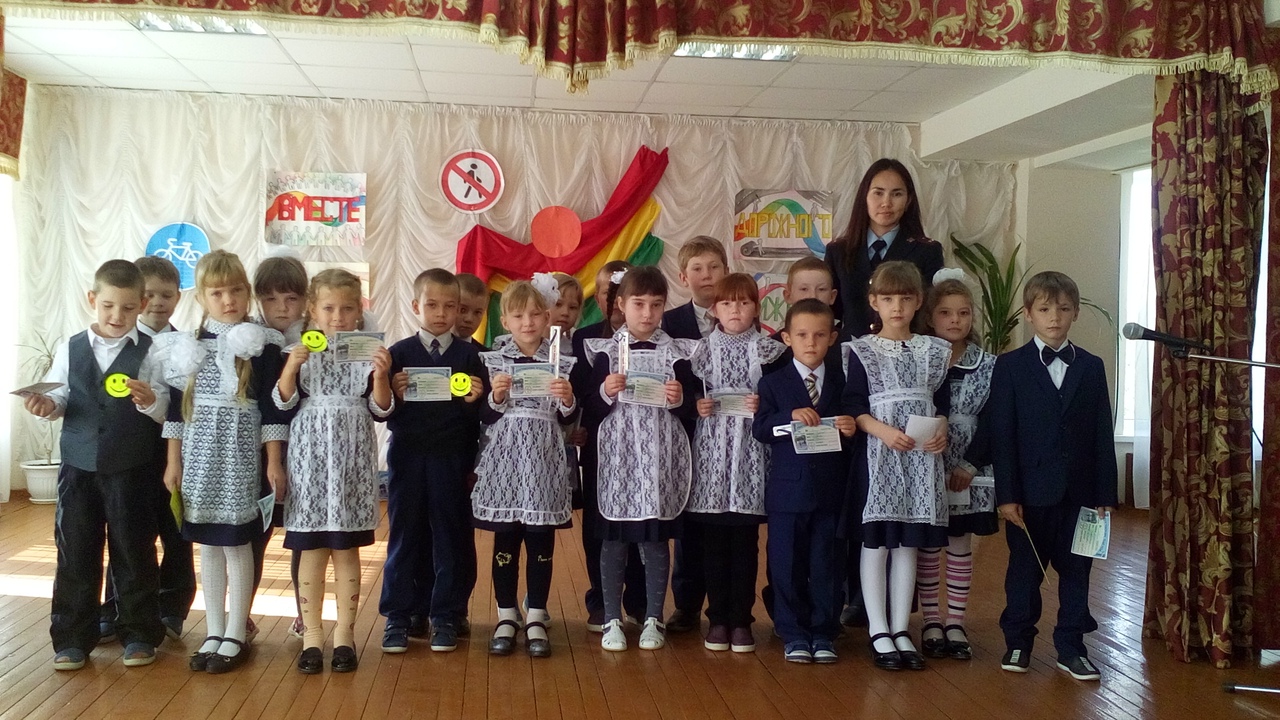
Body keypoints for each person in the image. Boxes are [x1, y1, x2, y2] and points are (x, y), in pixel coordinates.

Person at [27, 260, 170, 670]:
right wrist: (47, 406)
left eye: (127, 308)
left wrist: (151, 401)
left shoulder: (153, 350)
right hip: (78, 468)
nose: (116, 316)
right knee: (75, 551)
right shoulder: (69, 348)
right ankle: (72, 639)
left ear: (142, 305)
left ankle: (139, 635)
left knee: (134, 550)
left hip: (132, 467)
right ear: (92, 299)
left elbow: (166, 409)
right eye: (108, 306)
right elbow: (59, 397)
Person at [158, 250, 289, 674]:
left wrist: (273, 461)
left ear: (246, 293)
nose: (228, 300)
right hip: (199, 455)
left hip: (240, 454)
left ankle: (236, 631)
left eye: (235, 291)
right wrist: (173, 462)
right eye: (217, 293)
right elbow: (177, 411)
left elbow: (271, 409)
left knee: (236, 541)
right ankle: (213, 629)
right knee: (208, 544)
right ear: (201, 297)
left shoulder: (263, 345)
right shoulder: (187, 346)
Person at [990, 271, 1117, 682]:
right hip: (1029, 493)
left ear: (1075, 313)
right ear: (1029, 314)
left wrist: (1105, 493)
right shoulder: (1010, 366)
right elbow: (1003, 434)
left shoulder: (1092, 367)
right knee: (1024, 572)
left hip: (1081, 494)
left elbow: (1102, 431)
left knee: (1077, 572)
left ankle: (1072, 647)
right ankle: (1018, 641)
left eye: (1063, 309)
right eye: (1045, 309)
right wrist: (1007, 495)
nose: (1054, 317)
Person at [274, 269, 393, 674]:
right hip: (309, 461)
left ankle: (345, 635)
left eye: (347, 309)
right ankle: (311, 635)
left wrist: (381, 375)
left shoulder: (368, 351)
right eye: (328, 308)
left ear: (359, 311)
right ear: (312, 309)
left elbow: (381, 409)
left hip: (352, 462)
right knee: (310, 549)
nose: (338, 317)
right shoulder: (296, 349)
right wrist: (292, 367)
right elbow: (282, 403)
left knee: (346, 548)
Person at [583, 266, 699, 651]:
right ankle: (611, 618)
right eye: (638, 304)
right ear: (621, 304)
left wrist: (679, 399)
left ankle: (653, 617)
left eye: (656, 305)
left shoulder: (677, 352)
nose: (647, 313)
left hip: (658, 460)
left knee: (654, 538)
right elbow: (590, 408)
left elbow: (691, 408)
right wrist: (605, 391)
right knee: (614, 539)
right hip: (618, 460)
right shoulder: (605, 351)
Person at [843, 261, 951, 672]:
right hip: (879, 457)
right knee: (876, 543)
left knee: (908, 543)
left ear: (919, 301)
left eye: (905, 299)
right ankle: (878, 628)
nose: (897, 307)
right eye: (888, 299)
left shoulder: (934, 350)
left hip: (921, 459)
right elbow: (854, 405)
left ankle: (901, 627)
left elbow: (941, 403)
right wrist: (883, 431)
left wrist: (940, 429)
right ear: (874, 302)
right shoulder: (863, 350)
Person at [381, 269, 487, 654]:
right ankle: (399, 614)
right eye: (432, 305)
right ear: (416, 306)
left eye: (449, 306)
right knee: (405, 534)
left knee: (451, 535)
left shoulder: (472, 356)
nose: (441, 313)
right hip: (407, 457)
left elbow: (485, 415)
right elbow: (382, 411)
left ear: (458, 309)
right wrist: (392, 392)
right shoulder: (398, 353)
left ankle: (447, 614)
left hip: (453, 459)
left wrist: (477, 399)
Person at [474, 279, 578, 659]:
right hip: (506, 459)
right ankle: (506, 614)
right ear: (505, 321)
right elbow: (485, 416)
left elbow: (568, 420)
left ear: (547, 317)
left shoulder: (560, 361)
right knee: (505, 539)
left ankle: (536, 613)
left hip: (544, 459)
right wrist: (496, 396)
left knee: (540, 538)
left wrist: (568, 400)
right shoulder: (495, 359)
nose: (528, 322)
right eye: (518, 316)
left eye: (535, 314)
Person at [751, 299, 856, 664]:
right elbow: (761, 428)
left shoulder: (843, 383)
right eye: (802, 335)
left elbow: (855, 430)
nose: (811, 342)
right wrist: (789, 417)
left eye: (819, 335)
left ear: (832, 338)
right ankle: (793, 632)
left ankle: (824, 632)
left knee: (827, 564)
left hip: (830, 490)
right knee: (786, 564)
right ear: (786, 338)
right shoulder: (772, 383)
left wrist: (851, 428)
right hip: (787, 492)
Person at [99, 256, 193, 645]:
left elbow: (187, 403)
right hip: (127, 455)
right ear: (138, 298)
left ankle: (172, 606)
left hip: (175, 455)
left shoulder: (186, 345)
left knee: (176, 529)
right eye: (150, 294)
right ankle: (115, 607)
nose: (157, 302)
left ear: (178, 298)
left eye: (166, 295)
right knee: (125, 534)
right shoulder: (114, 342)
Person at [688, 274, 784, 653]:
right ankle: (718, 619)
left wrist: (765, 403)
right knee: (713, 541)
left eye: (744, 303)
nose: (735, 310)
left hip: (750, 455)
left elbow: (782, 400)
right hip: (712, 454)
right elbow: (685, 397)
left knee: (745, 541)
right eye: (727, 303)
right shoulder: (698, 352)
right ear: (715, 309)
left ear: (756, 308)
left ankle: (742, 619)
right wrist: (696, 405)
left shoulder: (771, 352)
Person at [917, 270, 998, 661]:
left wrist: (970, 463)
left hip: (970, 467)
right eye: (945, 313)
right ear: (930, 317)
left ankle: (955, 621)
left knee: (960, 543)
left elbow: (995, 421)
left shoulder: (990, 365)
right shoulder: (920, 359)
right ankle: (931, 620)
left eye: (963, 313)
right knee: (929, 545)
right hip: (926, 461)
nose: (955, 320)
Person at [569, 260, 646, 630]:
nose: (614, 299)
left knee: (641, 523)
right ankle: (600, 600)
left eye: (623, 292)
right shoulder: (585, 340)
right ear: (599, 298)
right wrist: (580, 423)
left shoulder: (655, 338)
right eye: (606, 292)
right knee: (598, 526)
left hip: (644, 448)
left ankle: (639, 602)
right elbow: (577, 394)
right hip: (600, 446)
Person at [662, 235, 729, 633]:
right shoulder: (669, 324)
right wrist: (690, 405)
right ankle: (686, 605)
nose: (707, 275)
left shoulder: (742, 316)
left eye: (714, 267)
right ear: (683, 277)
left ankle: (725, 606)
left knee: (725, 524)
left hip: (732, 439)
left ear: (727, 270)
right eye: (698, 269)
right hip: (687, 435)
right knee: (688, 524)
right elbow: (666, 381)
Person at [251, 251, 309, 640]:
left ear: (305, 299)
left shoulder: (317, 338)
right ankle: (242, 612)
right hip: (257, 451)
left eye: (290, 298)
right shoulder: (250, 341)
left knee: (303, 535)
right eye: (270, 299)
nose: (281, 308)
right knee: (256, 532)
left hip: (307, 450)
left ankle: (305, 613)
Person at [824, 158, 944, 337]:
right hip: (851, 350)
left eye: (896, 194)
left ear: (908, 200)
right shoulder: (838, 251)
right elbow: (830, 314)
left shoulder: (927, 251)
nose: (886, 203)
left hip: (906, 350)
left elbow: (930, 313)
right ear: (864, 197)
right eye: (878, 193)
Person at [455, 272, 490, 350]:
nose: (469, 319)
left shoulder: (484, 355)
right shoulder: (428, 350)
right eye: (462, 310)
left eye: (477, 312)